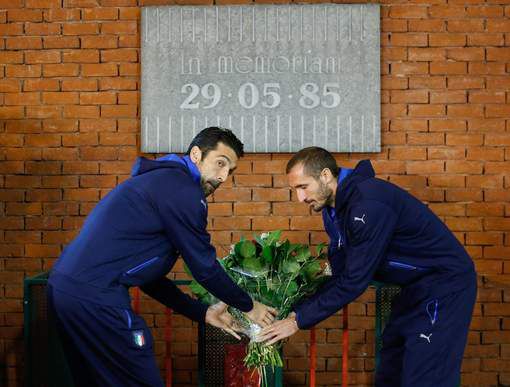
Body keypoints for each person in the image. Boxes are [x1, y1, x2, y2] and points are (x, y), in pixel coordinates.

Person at [47, 127, 276, 387]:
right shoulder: (183, 191)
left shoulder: (163, 183)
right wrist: (250, 307)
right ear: (196, 155)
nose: (223, 177)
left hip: (68, 291)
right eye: (220, 164)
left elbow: (148, 279)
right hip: (95, 296)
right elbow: (205, 268)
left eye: (230, 171)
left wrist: (201, 313)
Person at [259, 147, 477, 386]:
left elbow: (354, 280)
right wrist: (295, 309)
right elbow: (341, 274)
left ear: (324, 175)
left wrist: (297, 321)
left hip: (444, 284)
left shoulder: (368, 203)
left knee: (426, 375)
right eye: (295, 190)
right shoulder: (334, 210)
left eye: (303, 187)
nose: (300, 198)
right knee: (391, 369)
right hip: (414, 288)